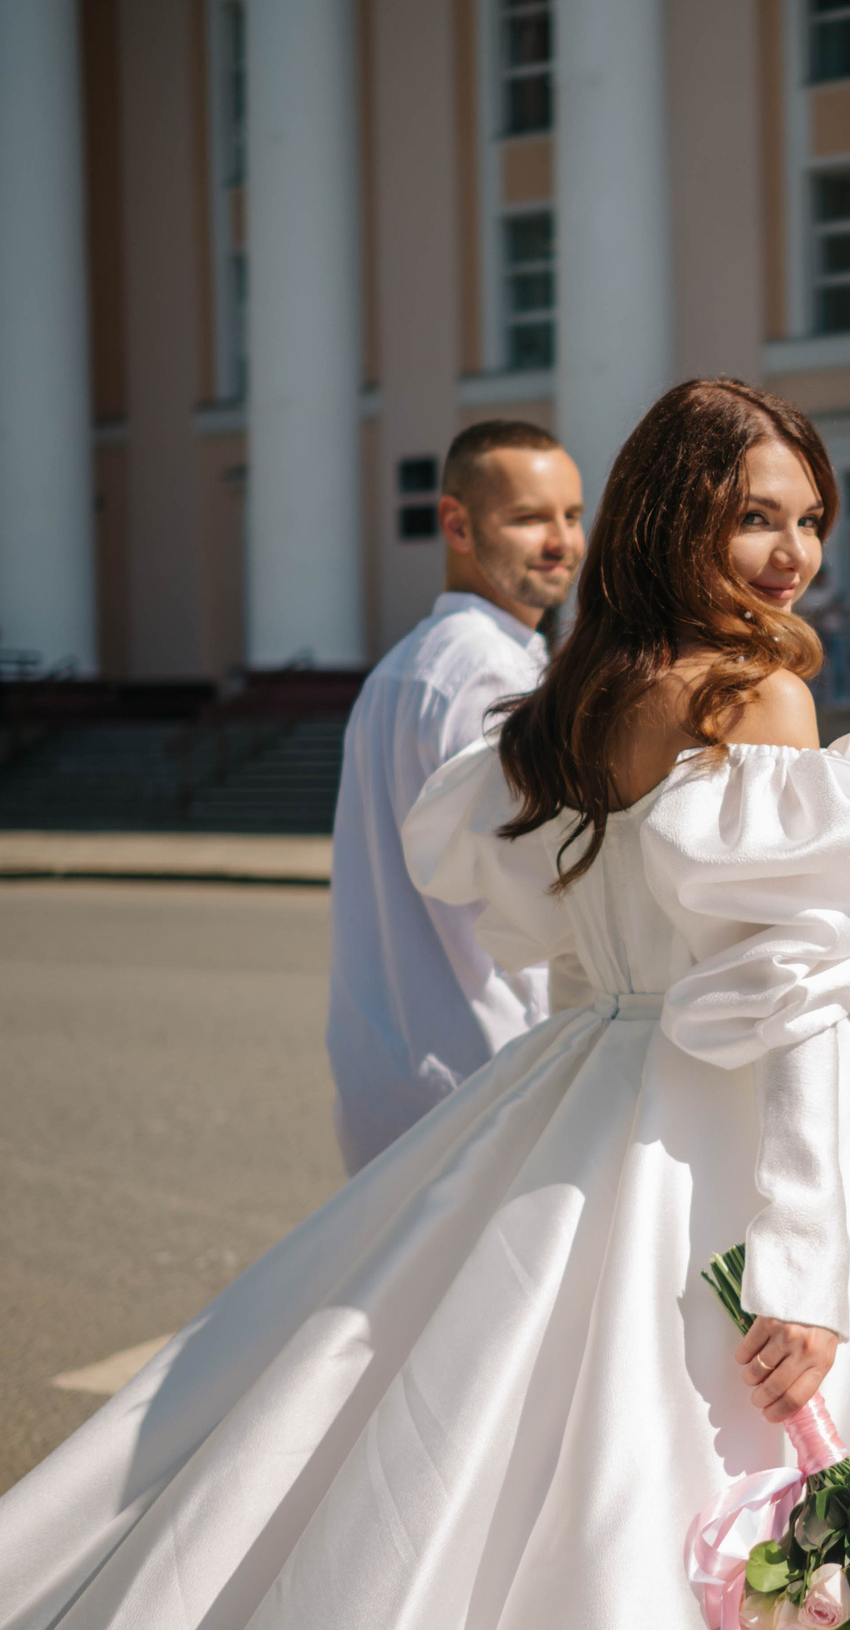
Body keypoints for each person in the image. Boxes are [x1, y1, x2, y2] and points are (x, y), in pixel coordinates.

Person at [0, 379, 850, 1630]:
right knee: (780, 1464)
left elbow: (546, 924)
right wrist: (799, 1256)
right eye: (754, 517)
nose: (793, 553)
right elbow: (780, 985)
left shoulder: (582, 693)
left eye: (811, 519)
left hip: (588, 1090)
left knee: (572, 1461)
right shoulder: (753, 691)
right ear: (677, 522)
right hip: (727, 1131)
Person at [326, 419, 585, 1175]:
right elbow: (526, 893)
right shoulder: (489, 676)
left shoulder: (400, 669)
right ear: (456, 523)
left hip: (390, 1071)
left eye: (571, 514)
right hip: (486, 1073)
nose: (561, 540)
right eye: (530, 516)